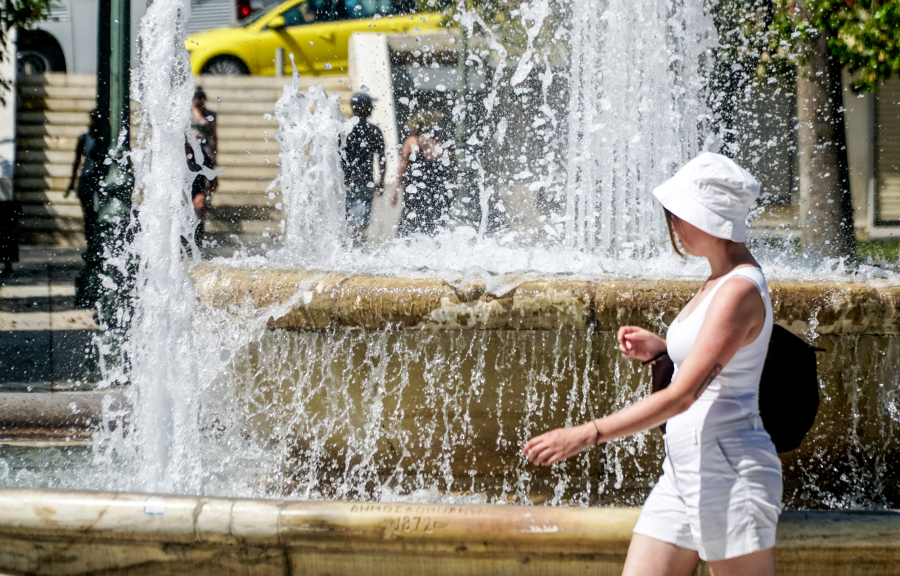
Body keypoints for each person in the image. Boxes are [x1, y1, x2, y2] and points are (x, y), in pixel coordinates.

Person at [523, 152, 781, 576]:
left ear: (707, 218)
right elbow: (720, 359)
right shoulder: (718, 280)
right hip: (684, 468)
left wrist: (587, 434)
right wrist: (663, 349)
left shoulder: (738, 290)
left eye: (678, 214)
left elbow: (683, 396)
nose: (673, 225)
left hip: (730, 470)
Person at [392, 109, 456, 237]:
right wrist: (454, 184)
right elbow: (454, 165)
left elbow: (403, 166)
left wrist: (396, 188)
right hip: (439, 189)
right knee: (437, 225)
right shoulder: (443, 142)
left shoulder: (412, 141)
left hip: (416, 190)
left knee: (410, 223)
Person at [340, 92, 386, 247]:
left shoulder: (344, 129)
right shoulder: (374, 130)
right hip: (365, 183)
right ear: (364, 108)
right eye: (370, 105)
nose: (372, 108)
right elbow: (382, 158)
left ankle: (349, 250)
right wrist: (381, 182)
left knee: (346, 222)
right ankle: (357, 250)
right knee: (359, 224)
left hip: (344, 184)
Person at [65, 109, 105, 247]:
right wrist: (72, 182)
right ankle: (90, 243)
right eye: (93, 119)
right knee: (88, 215)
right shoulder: (84, 138)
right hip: (86, 179)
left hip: (100, 180)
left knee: (99, 213)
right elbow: (76, 161)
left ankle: (99, 242)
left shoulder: (104, 139)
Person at [186, 87, 218, 250]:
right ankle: (187, 242)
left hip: (205, 158)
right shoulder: (188, 114)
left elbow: (214, 136)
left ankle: (197, 241)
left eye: (201, 99)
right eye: (196, 99)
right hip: (190, 159)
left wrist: (214, 160)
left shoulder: (210, 115)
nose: (199, 102)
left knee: (200, 201)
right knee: (190, 200)